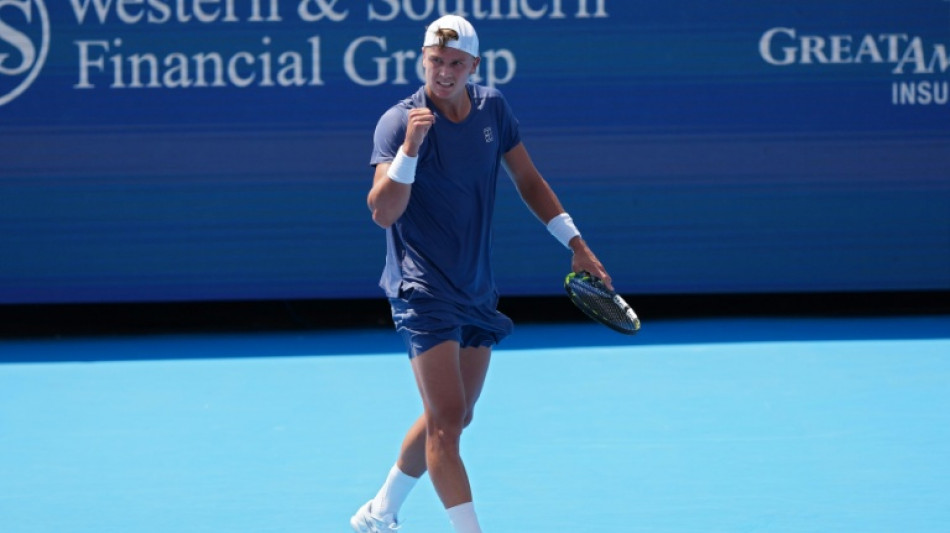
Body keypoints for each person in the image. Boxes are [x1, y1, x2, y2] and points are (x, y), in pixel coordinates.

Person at [351, 14, 612, 533]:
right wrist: (409, 154)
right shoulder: (399, 121)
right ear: (422, 59)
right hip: (420, 287)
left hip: (474, 284)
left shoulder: (493, 107)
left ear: (473, 65)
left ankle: (380, 511)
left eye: (455, 64)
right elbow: (383, 211)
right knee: (446, 427)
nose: (443, 72)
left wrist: (577, 245)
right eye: (435, 61)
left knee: (455, 415)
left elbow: (529, 181)